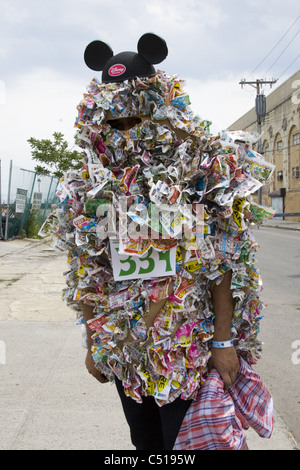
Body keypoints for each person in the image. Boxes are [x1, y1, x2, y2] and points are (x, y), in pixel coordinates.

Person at [43, 33, 274, 450]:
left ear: (161, 115)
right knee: (144, 443)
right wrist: (96, 345)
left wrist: (223, 343)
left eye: (136, 122)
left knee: (183, 443)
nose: (126, 134)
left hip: (187, 345)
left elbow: (222, 266)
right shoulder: (91, 190)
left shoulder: (195, 177)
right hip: (128, 347)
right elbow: (91, 274)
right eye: (115, 125)